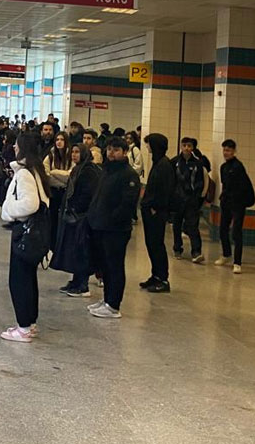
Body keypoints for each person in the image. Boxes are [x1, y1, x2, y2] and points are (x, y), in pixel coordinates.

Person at [0, 133, 50, 342]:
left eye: (16, 144)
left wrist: (8, 209)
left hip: (24, 232)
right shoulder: (37, 170)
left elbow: (31, 204)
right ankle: (30, 323)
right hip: (36, 233)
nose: (14, 147)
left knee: (19, 281)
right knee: (29, 279)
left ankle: (23, 327)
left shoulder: (24, 174)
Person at [85, 139, 141, 318]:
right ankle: (107, 299)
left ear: (124, 152)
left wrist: (112, 219)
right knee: (105, 266)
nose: (111, 153)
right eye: (109, 149)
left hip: (115, 230)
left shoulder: (128, 174)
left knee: (115, 266)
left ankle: (114, 304)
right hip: (100, 226)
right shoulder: (106, 170)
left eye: (116, 150)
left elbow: (127, 204)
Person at [50, 143, 101, 297]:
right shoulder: (78, 169)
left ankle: (82, 284)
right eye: (73, 152)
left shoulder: (89, 171)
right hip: (73, 217)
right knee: (74, 250)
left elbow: (87, 194)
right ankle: (76, 280)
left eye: (77, 152)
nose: (74, 155)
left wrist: (76, 208)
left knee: (81, 250)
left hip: (81, 218)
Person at [139, 133, 174, 293]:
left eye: (149, 144)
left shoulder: (164, 165)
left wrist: (155, 207)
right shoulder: (158, 162)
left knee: (157, 245)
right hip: (151, 211)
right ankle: (156, 275)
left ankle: (163, 279)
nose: (147, 147)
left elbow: (164, 190)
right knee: (151, 244)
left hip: (156, 212)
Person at [216, 139, 255, 274]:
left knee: (236, 232)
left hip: (238, 204)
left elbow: (241, 186)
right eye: (224, 150)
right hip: (227, 202)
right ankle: (226, 254)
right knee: (222, 229)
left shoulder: (238, 167)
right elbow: (225, 185)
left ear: (234, 151)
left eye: (228, 150)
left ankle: (237, 262)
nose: (226, 153)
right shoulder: (223, 167)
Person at [171, 136, 209, 263]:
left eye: (189, 146)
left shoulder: (198, 163)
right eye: (184, 145)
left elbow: (201, 182)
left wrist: (197, 197)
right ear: (181, 146)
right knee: (176, 225)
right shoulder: (174, 162)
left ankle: (196, 252)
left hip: (191, 200)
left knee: (193, 226)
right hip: (177, 200)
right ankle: (177, 248)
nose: (187, 148)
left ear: (193, 148)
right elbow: (171, 181)